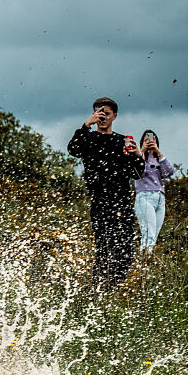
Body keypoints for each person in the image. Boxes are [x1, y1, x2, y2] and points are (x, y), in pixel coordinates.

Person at [67, 97, 144, 289]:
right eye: (99, 113)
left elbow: (137, 174)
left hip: (122, 203)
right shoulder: (88, 139)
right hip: (100, 203)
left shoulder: (121, 141)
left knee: (126, 248)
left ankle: (117, 287)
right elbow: (72, 148)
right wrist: (86, 125)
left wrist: (137, 156)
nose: (102, 117)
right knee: (104, 248)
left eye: (106, 114)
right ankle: (100, 290)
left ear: (114, 116)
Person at [132, 130, 176, 253]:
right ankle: (143, 263)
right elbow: (137, 172)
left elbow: (169, 172)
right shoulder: (139, 158)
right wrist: (141, 151)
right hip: (144, 197)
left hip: (160, 198)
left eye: (152, 139)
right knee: (148, 233)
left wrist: (158, 152)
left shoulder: (158, 159)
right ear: (142, 142)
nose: (150, 142)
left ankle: (147, 259)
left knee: (154, 234)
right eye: (147, 140)